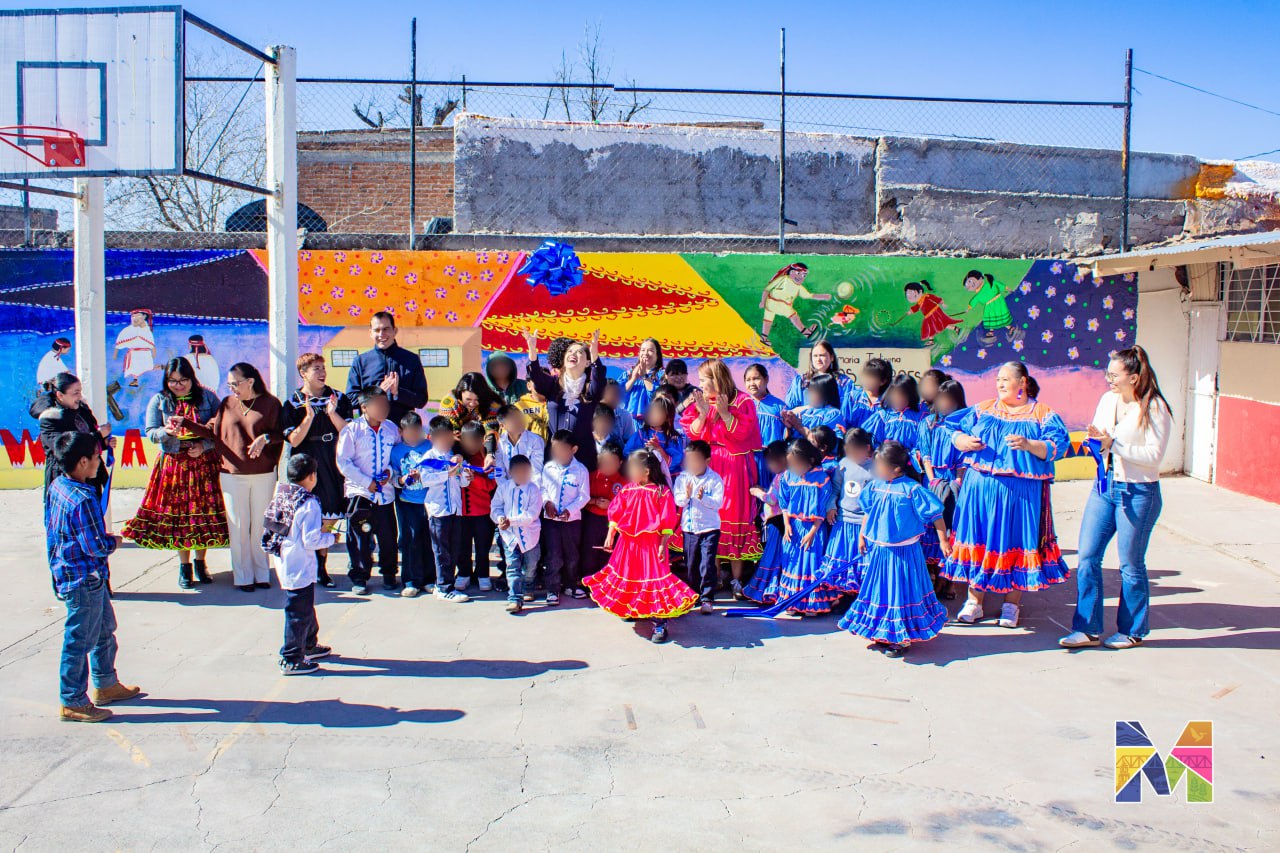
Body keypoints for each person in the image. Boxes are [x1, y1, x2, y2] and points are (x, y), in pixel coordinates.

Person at [1061, 346, 1174, 651]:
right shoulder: (1107, 400)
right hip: (1105, 486)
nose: (1108, 379)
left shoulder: (1154, 407)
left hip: (1138, 492)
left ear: (1134, 377)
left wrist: (1114, 444)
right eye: (1107, 373)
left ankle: (1132, 630)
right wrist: (1096, 443)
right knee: (1087, 556)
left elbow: (1154, 457)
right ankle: (1087, 628)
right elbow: (1102, 440)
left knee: (1130, 564)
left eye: (1114, 375)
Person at [942, 362, 1069, 628]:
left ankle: (1011, 604)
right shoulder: (984, 409)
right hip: (979, 491)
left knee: (1015, 541)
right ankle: (974, 601)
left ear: (1022, 382)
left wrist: (1029, 444)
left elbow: (1059, 445)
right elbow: (950, 428)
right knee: (979, 539)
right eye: (998, 379)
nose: (999, 383)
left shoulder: (1042, 413)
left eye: (1006, 379)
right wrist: (962, 441)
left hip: (1020, 495)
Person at [46, 433, 140, 722]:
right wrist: (114, 541)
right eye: (97, 457)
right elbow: (95, 546)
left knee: (103, 630)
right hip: (83, 577)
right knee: (79, 640)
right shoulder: (83, 499)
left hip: (77, 573)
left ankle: (106, 682)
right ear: (83, 461)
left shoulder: (58, 486)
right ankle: (72, 699)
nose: (100, 461)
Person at [838, 440, 950, 659]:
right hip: (880, 552)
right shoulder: (875, 486)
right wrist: (862, 535)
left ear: (897, 468)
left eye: (880, 465)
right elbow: (868, 511)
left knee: (899, 593)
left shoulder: (912, 489)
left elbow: (936, 514)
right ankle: (883, 631)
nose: (876, 469)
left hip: (904, 554)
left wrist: (943, 541)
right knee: (882, 591)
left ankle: (900, 638)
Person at [122, 358, 228, 589]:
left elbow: (222, 431)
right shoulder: (159, 400)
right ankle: (184, 566)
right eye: (173, 381)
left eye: (183, 380)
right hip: (174, 465)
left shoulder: (208, 398)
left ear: (192, 379)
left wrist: (203, 446)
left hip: (202, 464)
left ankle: (201, 562)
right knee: (180, 518)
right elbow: (151, 432)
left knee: (202, 515)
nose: (178, 385)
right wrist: (166, 432)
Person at [183, 362, 284, 592]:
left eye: (235, 384)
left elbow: (282, 432)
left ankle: (261, 573)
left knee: (259, 526)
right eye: (229, 385)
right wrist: (185, 424)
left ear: (250, 381)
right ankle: (243, 576)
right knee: (238, 526)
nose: (232, 389)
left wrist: (265, 438)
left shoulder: (270, 404)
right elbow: (212, 431)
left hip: (263, 473)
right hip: (231, 474)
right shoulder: (228, 404)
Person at [584, 448, 698, 644]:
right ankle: (633, 608)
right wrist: (611, 533)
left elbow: (667, 520)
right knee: (631, 577)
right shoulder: (628, 490)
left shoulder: (661, 492)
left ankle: (659, 623)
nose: (630, 472)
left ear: (646, 471)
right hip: (628, 545)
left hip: (652, 545)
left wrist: (663, 544)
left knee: (654, 581)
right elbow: (616, 512)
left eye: (633, 468)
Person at [681, 358, 763, 596]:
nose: (700, 384)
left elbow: (743, 433)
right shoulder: (700, 401)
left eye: (704, 380)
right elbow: (693, 434)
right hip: (710, 463)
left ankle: (737, 579)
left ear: (716, 379)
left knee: (734, 517)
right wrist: (703, 414)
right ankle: (714, 575)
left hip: (735, 466)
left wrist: (725, 413)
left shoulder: (743, 401)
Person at [283, 353, 352, 588]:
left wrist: (332, 413)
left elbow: (348, 432)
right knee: (306, 512)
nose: (322, 372)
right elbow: (293, 439)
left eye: (323, 368)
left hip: (331, 457)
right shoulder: (293, 402)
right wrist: (308, 418)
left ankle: (322, 566)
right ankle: (307, 563)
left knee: (329, 511)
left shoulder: (338, 398)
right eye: (316, 369)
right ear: (303, 373)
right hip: (306, 458)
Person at [263, 453, 336, 676]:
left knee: (305, 606)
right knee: (298, 612)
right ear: (312, 476)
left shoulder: (282, 493)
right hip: (299, 564)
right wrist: (331, 538)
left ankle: (309, 644)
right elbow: (311, 540)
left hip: (283, 559)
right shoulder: (309, 503)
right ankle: (291, 657)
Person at [336, 387, 401, 595]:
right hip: (360, 494)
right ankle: (360, 576)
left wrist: (389, 472)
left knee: (388, 537)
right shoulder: (352, 430)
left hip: (385, 495)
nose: (384, 408)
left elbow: (397, 456)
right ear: (364, 407)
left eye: (385, 404)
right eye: (378, 404)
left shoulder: (391, 429)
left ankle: (389, 574)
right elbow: (343, 462)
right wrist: (366, 482)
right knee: (359, 538)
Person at [524, 329, 607, 469]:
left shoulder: (590, 389)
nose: (573, 354)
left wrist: (594, 354)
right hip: (554, 459)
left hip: (583, 460)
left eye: (579, 352)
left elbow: (599, 379)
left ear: (587, 363)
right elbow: (536, 375)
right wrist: (532, 350)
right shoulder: (553, 385)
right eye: (570, 351)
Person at [773, 438, 838, 616]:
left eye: (797, 463)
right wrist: (787, 524)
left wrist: (812, 532)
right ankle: (792, 602)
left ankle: (811, 603)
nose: (794, 467)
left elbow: (822, 510)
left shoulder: (821, 478)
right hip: (794, 527)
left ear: (809, 460)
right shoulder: (787, 476)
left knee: (811, 564)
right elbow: (784, 503)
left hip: (814, 529)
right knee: (792, 564)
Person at [918, 379, 967, 600]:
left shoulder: (963, 425)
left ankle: (949, 580)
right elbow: (925, 454)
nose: (945, 404)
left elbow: (964, 458)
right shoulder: (928, 423)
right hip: (933, 481)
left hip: (956, 481)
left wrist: (958, 481)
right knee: (931, 528)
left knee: (952, 530)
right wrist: (932, 481)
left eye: (950, 401)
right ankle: (932, 576)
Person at [32, 372, 111, 501]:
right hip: (66, 480)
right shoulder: (50, 418)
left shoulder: (82, 409)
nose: (80, 396)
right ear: (60, 395)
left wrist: (103, 442)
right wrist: (98, 435)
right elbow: (65, 447)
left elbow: (90, 433)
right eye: (75, 393)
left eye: (80, 391)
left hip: (90, 476)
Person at [419, 416, 470, 603]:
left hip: (455, 510)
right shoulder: (429, 458)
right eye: (441, 438)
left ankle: (447, 583)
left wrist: (466, 475)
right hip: (438, 511)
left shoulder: (453, 457)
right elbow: (426, 479)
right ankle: (443, 588)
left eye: (448, 437)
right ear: (432, 438)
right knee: (441, 550)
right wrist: (447, 473)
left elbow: (463, 483)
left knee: (454, 548)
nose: (446, 441)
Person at [344, 312, 428, 425]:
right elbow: (350, 400)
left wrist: (398, 392)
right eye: (377, 330)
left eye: (386, 329)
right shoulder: (361, 362)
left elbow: (421, 400)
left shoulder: (411, 360)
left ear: (395, 331)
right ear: (370, 333)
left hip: (401, 431)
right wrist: (376, 393)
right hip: (369, 431)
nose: (381, 334)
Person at [673, 440, 726, 614]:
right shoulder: (682, 478)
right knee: (691, 563)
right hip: (690, 529)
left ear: (707, 461)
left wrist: (703, 498)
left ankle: (707, 598)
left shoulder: (714, 479)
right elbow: (678, 501)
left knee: (707, 563)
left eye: (696, 460)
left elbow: (718, 503)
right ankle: (693, 595)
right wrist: (687, 495)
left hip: (709, 528)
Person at [539, 430, 591, 604]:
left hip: (572, 522)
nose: (558, 453)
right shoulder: (548, 468)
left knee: (572, 554)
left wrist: (570, 510)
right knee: (553, 555)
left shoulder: (581, 470)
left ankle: (570, 585)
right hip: (551, 522)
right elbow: (543, 489)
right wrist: (547, 503)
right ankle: (552, 588)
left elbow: (584, 496)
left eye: (562, 450)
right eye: (555, 450)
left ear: (573, 450)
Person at [820, 428, 875, 593]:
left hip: (862, 524)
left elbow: (873, 502)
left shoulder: (875, 469)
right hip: (842, 522)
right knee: (840, 563)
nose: (851, 455)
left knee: (860, 564)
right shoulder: (843, 464)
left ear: (866, 448)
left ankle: (857, 597)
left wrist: (864, 529)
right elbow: (836, 489)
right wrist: (831, 506)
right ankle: (841, 595)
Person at [492, 454, 543, 613]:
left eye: (526, 471)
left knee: (531, 565)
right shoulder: (504, 488)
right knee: (512, 566)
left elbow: (532, 514)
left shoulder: (534, 490)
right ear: (511, 472)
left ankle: (528, 585)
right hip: (510, 537)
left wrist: (511, 521)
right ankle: (514, 598)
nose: (523, 475)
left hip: (530, 536)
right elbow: (495, 507)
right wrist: (500, 518)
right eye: (519, 472)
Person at [389, 412, 434, 597]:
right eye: (409, 432)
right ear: (401, 432)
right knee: (410, 540)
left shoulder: (430, 446)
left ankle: (430, 579)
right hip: (407, 502)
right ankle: (410, 581)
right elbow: (393, 476)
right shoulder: (396, 451)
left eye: (416, 431)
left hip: (429, 501)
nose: (413, 436)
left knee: (429, 540)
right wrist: (402, 480)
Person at [742, 441, 790, 604]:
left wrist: (757, 492)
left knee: (772, 556)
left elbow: (772, 499)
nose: (769, 466)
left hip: (777, 524)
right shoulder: (789, 475)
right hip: (779, 522)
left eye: (771, 462)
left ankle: (768, 591)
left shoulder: (782, 477)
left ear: (782, 460)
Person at [456, 421, 498, 592]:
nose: (472, 445)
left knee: (483, 547)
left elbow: (491, 485)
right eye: (468, 441)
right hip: (462, 514)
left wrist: (476, 479)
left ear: (482, 441)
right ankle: (463, 574)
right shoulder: (457, 457)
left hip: (483, 513)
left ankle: (483, 575)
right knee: (462, 546)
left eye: (476, 441)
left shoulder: (487, 459)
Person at [582, 442, 626, 587]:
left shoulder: (623, 482)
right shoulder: (590, 477)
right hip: (592, 519)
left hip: (612, 522)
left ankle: (606, 585)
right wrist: (594, 501)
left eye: (612, 462)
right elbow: (579, 498)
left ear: (620, 463)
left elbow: (626, 506)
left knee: (608, 552)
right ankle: (588, 583)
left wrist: (611, 505)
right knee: (590, 551)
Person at [439, 372, 502, 467]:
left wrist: (490, 453)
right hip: (456, 446)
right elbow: (452, 433)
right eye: (468, 399)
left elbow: (490, 430)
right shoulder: (449, 402)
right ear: (460, 392)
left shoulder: (491, 402)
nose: (472, 404)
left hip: (481, 444)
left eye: (477, 400)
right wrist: (460, 455)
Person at [759, 262, 831, 345]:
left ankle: (764, 337)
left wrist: (822, 296)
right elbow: (767, 289)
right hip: (778, 304)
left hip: (773, 303)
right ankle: (805, 332)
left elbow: (807, 295)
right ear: (791, 272)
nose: (801, 277)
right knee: (793, 317)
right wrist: (762, 301)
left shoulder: (797, 286)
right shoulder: (784, 279)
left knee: (768, 319)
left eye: (804, 275)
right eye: (798, 273)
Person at [744, 362, 789, 490]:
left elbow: (788, 436)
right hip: (749, 459)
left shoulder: (779, 407)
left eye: (756, 378)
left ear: (766, 379)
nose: (752, 383)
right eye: (748, 380)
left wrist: (789, 428)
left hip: (772, 461)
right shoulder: (742, 405)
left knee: (770, 495)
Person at [783, 341, 855, 413]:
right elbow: (789, 411)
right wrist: (810, 408)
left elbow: (849, 410)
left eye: (822, 355)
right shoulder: (800, 381)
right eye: (815, 356)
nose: (818, 359)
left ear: (832, 357)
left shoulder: (844, 382)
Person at [624, 395, 685, 480]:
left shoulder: (674, 438)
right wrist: (645, 451)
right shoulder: (642, 433)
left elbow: (676, 461)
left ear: (667, 417)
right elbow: (628, 452)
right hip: (644, 477)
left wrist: (659, 449)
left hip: (667, 479)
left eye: (658, 413)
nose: (653, 415)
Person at [864, 374, 924, 451]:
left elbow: (921, 444)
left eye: (903, 395)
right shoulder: (882, 416)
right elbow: (870, 439)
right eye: (895, 394)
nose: (898, 399)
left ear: (911, 396)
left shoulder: (919, 419)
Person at [962, 269, 1022, 346]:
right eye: (968, 286)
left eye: (970, 281)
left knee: (1001, 318)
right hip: (989, 307)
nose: (971, 285)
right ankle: (991, 332)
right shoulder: (978, 295)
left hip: (998, 303)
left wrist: (1007, 289)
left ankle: (1011, 328)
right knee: (991, 320)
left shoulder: (990, 284)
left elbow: (999, 285)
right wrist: (969, 308)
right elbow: (973, 301)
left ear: (980, 278)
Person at [784, 372, 845, 438]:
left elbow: (821, 440)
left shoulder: (833, 414)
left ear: (825, 393)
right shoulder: (805, 412)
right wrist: (789, 428)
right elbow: (788, 438)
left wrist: (799, 427)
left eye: (814, 392)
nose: (810, 395)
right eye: (810, 391)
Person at [495, 404, 545, 481]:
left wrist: (531, 488)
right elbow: (499, 470)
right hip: (507, 486)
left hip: (530, 486)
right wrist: (505, 487)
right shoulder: (499, 442)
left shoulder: (535, 440)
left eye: (520, 417)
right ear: (502, 426)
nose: (519, 421)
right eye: (514, 419)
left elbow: (536, 471)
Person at [623, 338, 664, 424]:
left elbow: (658, 398)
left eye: (650, 350)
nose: (645, 353)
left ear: (657, 355)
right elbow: (619, 393)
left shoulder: (662, 375)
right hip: (629, 422)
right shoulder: (629, 373)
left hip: (652, 423)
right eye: (643, 350)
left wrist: (644, 376)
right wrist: (633, 378)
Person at [845, 357, 893, 430]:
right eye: (866, 376)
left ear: (882, 382)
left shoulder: (887, 403)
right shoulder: (852, 397)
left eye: (872, 377)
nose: (867, 380)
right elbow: (843, 423)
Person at [114, 308, 156, 387]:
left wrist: (153, 354)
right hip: (134, 355)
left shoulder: (147, 331)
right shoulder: (128, 330)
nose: (135, 318)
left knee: (146, 369)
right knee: (134, 370)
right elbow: (118, 345)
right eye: (133, 316)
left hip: (145, 354)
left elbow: (152, 345)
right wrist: (115, 356)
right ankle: (134, 381)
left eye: (138, 316)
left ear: (144, 317)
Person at [663, 359, 699, 430]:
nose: (679, 377)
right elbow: (662, 417)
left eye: (682, 373)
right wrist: (684, 404)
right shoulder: (662, 393)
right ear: (666, 376)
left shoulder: (696, 392)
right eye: (674, 374)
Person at [601, 380, 637, 447]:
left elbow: (630, 443)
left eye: (618, 394)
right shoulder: (592, 414)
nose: (616, 398)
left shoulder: (625, 415)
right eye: (612, 393)